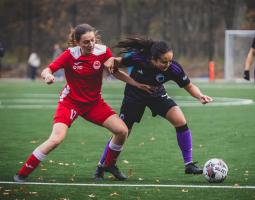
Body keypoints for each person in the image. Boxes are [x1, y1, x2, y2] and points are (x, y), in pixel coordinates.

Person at [13, 24, 152, 182]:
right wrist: (48, 76)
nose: (90, 44)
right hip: (70, 103)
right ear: (77, 42)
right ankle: (22, 173)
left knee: (122, 131)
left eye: (92, 40)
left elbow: (115, 72)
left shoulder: (103, 51)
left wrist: (136, 84)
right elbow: (47, 70)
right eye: (86, 42)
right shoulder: (69, 55)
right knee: (56, 139)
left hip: (94, 104)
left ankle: (108, 165)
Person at [94, 37, 213, 181]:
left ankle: (189, 164)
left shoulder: (173, 68)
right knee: (123, 132)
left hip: (156, 94)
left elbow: (189, 86)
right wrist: (112, 60)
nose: (168, 64)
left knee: (180, 120)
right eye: (164, 61)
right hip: (134, 95)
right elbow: (118, 62)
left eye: (170, 60)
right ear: (153, 59)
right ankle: (102, 166)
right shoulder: (139, 58)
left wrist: (200, 96)